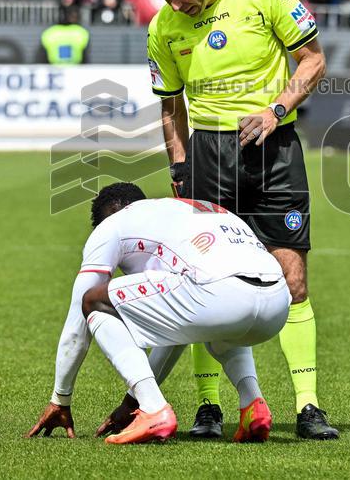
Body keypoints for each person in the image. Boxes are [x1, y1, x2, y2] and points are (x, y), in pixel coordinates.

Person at [143, 0, 337, 440]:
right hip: (208, 155)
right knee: (205, 283)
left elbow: (314, 60)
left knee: (293, 279)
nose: (175, 4)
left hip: (274, 148)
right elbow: (170, 105)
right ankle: (208, 407)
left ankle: (308, 407)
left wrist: (276, 109)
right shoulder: (162, 27)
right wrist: (180, 167)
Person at [25, 184, 290, 444]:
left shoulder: (111, 226)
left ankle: (154, 409)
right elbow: (176, 326)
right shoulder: (177, 210)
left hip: (219, 294)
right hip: (277, 301)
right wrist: (131, 402)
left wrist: (61, 399)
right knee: (220, 313)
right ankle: (253, 405)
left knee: (94, 301)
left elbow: (77, 322)